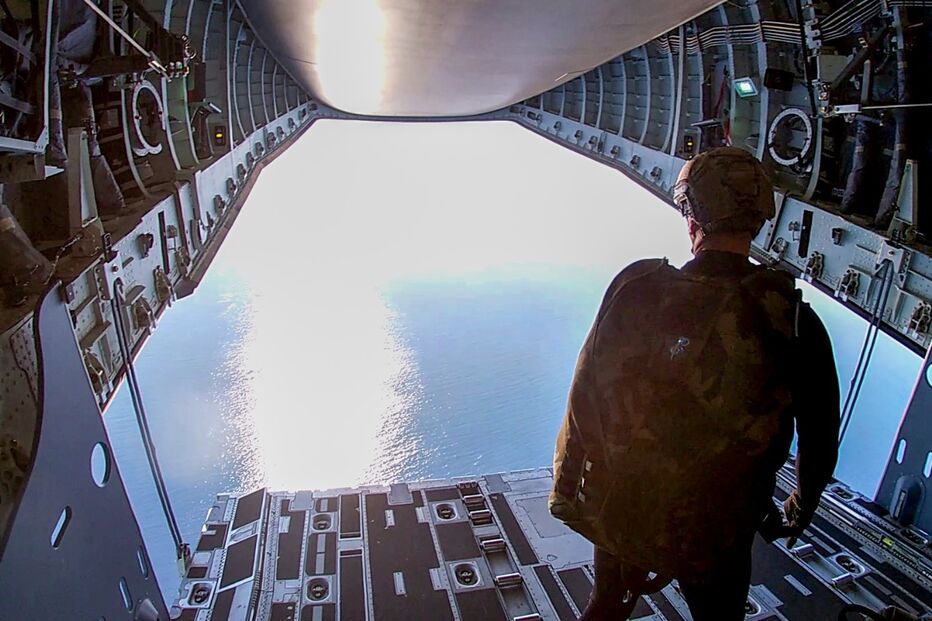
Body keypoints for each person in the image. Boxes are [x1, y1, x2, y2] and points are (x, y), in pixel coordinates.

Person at [549, 147, 840, 620]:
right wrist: (796, 510)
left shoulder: (636, 288)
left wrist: (583, 493)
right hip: (717, 530)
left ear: (692, 220)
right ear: (759, 222)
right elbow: (820, 439)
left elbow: (588, 391)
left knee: (605, 607)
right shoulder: (795, 324)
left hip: (625, 505)